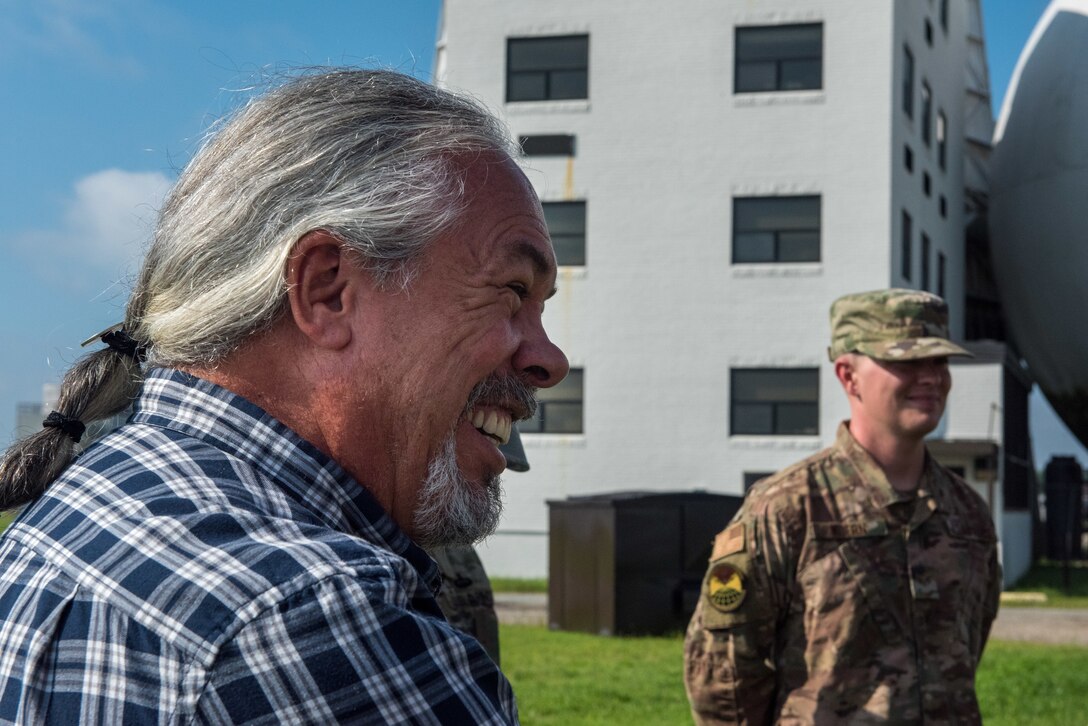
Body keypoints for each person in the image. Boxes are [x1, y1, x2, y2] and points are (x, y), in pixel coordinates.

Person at [0, 68, 567, 724]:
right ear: (326, 289)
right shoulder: (313, 621)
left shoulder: (76, 510)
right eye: (513, 291)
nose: (548, 360)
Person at [684, 288, 1001, 725]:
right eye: (907, 362)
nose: (931, 377)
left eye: (939, 361)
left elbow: (967, 647)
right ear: (849, 376)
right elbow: (723, 672)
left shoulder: (968, 514)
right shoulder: (786, 509)